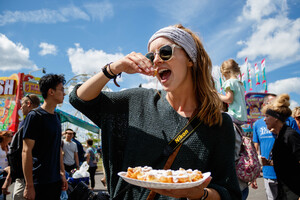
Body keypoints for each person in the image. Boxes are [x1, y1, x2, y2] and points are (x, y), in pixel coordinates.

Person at [69, 24, 241, 200]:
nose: (157, 60)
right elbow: (80, 99)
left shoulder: (219, 123)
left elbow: (229, 193)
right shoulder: (136, 101)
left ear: (190, 59)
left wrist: (200, 194)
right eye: (151, 56)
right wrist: (114, 68)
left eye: (165, 52)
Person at [22, 74, 68, 200]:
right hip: (39, 182)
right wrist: (29, 185)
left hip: (55, 180)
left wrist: (62, 173)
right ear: (51, 92)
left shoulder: (57, 117)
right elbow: (26, 151)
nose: (64, 94)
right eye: (62, 90)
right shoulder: (35, 116)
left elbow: (57, 147)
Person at [253, 94, 300, 200]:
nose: (264, 120)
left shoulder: (290, 135)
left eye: (267, 116)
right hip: (283, 189)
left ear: (276, 118)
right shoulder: (280, 136)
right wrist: (268, 163)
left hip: (293, 190)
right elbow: (287, 162)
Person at [218, 59, 249, 199]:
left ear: (225, 72)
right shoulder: (241, 84)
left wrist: (215, 94)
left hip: (233, 115)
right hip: (242, 117)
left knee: (220, 117)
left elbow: (229, 100)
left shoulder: (229, 83)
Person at [13, 94, 40, 200]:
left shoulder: (32, 120)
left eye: (22, 104)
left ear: (28, 104)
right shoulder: (26, 121)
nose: (20, 107)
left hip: (29, 173)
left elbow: (26, 150)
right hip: (24, 172)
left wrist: (29, 184)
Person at [0, 131, 13, 199]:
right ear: (5, 137)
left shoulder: (9, 147)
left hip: (6, 174)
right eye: (10, 136)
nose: (12, 137)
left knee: (5, 195)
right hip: (0, 172)